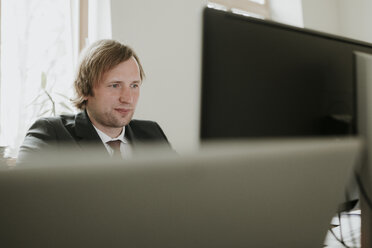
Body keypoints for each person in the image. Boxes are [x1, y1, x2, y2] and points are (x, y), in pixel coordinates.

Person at [17, 39, 172, 163]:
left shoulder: (152, 134)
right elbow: (24, 195)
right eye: (115, 85)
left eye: (134, 85)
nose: (128, 98)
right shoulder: (51, 133)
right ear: (84, 89)